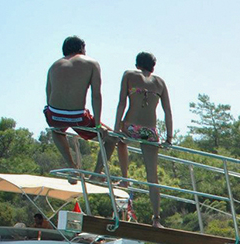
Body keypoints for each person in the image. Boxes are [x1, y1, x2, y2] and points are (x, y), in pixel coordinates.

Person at [44, 36, 124, 179]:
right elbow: (96, 96)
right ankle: (96, 173)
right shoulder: (91, 63)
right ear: (82, 48)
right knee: (111, 138)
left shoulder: (54, 66)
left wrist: (56, 115)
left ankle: (72, 168)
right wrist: (98, 124)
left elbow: (48, 93)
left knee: (56, 130)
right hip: (77, 116)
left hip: (53, 114)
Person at [115, 52, 173, 227]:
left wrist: (117, 127)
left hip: (131, 125)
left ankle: (125, 178)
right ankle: (156, 219)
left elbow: (121, 104)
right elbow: (167, 112)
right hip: (150, 130)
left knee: (120, 141)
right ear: (153, 66)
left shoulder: (129, 75)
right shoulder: (160, 82)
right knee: (152, 177)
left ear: (137, 64)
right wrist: (169, 138)